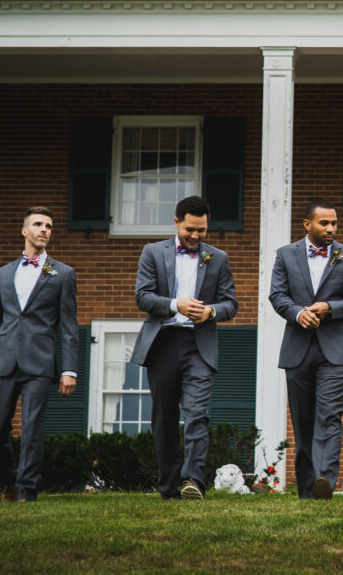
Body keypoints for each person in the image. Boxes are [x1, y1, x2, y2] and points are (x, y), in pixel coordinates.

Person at [130, 195, 238, 500]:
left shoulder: (218, 258)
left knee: (196, 413)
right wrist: (176, 304)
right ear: (177, 222)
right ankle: (168, 489)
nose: (195, 236)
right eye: (190, 229)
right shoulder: (152, 252)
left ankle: (193, 481)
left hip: (198, 345)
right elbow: (143, 297)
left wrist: (210, 312)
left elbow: (231, 304)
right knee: (163, 418)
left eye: (201, 231)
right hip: (162, 342)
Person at [269, 200, 343, 499]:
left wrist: (330, 307)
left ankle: (325, 478)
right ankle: (306, 490)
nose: (331, 229)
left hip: (335, 351)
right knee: (303, 422)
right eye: (324, 223)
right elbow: (277, 295)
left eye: (334, 223)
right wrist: (298, 314)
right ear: (307, 224)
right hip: (297, 348)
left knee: (329, 416)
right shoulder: (286, 255)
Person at [0, 206, 78, 503]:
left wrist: (69, 369)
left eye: (48, 225)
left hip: (40, 361)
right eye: (37, 224)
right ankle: (9, 481)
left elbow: (69, 325)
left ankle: (27, 490)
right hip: (4, 360)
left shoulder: (63, 274)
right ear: (25, 231)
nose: (44, 229)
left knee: (32, 427)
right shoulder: (3, 274)